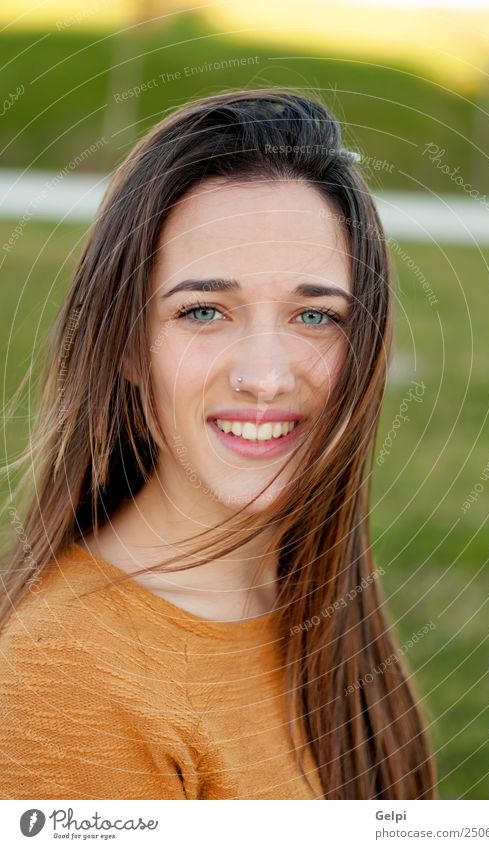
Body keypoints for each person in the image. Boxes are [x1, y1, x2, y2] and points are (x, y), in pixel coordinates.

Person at [0, 87, 438, 800]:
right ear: (128, 345)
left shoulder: (315, 600)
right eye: (203, 310)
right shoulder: (64, 680)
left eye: (314, 315)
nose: (263, 377)